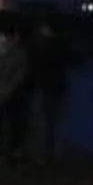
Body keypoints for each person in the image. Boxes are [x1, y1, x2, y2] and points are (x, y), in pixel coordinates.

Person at [0, 21, 35, 161]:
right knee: (13, 122)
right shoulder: (19, 51)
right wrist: (10, 87)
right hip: (14, 92)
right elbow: (21, 73)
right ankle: (11, 150)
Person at [26, 20, 74, 159]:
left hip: (41, 85)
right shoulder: (61, 45)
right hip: (56, 85)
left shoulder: (37, 45)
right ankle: (51, 150)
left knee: (40, 118)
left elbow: (32, 65)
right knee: (53, 120)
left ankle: (41, 151)